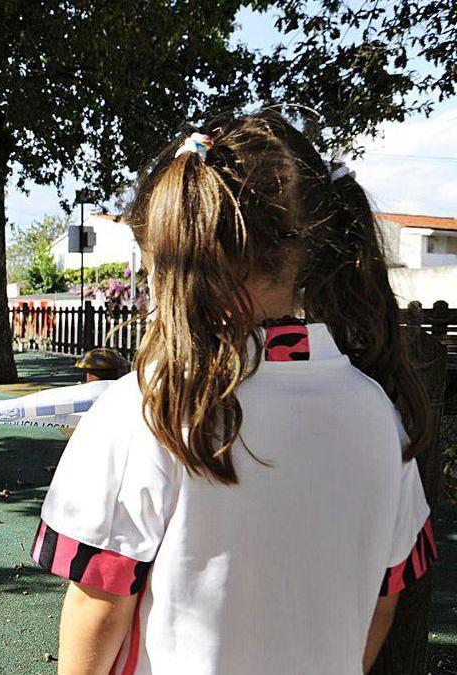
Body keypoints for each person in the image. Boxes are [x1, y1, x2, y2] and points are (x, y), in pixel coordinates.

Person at [32, 113, 434, 674]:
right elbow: (386, 598)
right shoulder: (378, 412)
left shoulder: (149, 408)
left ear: (171, 260)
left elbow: (100, 606)